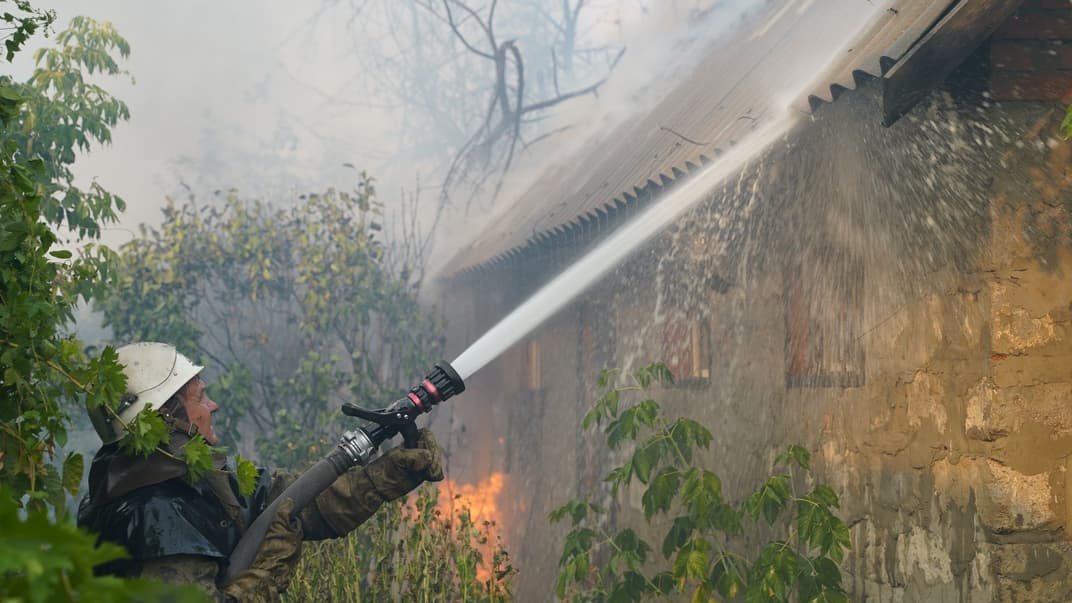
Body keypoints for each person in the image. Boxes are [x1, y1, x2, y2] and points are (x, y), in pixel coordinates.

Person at [77, 342, 444, 602]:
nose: (213, 405)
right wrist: (266, 574)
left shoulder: (196, 484)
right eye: (199, 398)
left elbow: (300, 503)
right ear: (166, 419)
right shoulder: (153, 514)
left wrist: (389, 473)